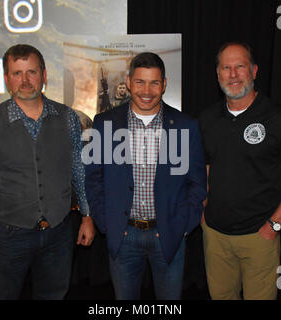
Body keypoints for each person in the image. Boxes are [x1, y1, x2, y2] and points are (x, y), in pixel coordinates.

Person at [0, 44, 95, 300]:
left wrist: (87, 216)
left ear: (44, 76)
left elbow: (78, 169)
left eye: (31, 72)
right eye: (17, 73)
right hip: (8, 237)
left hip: (59, 232)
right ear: (6, 79)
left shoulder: (67, 118)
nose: (25, 80)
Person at [85, 52, 207, 299]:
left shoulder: (185, 125)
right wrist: (106, 222)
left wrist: (184, 224)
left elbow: (197, 182)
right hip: (123, 235)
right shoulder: (103, 123)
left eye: (154, 82)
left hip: (169, 236)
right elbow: (93, 177)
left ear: (164, 84)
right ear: (128, 82)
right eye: (140, 82)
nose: (147, 90)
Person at [198, 42, 281, 300]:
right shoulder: (207, 119)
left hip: (258, 236)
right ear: (217, 74)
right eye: (226, 68)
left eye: (240, 66)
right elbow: (205, 166)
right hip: (215, 235)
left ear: (254, 71)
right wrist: (204, 211)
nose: (233, 74)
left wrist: (274, 225)